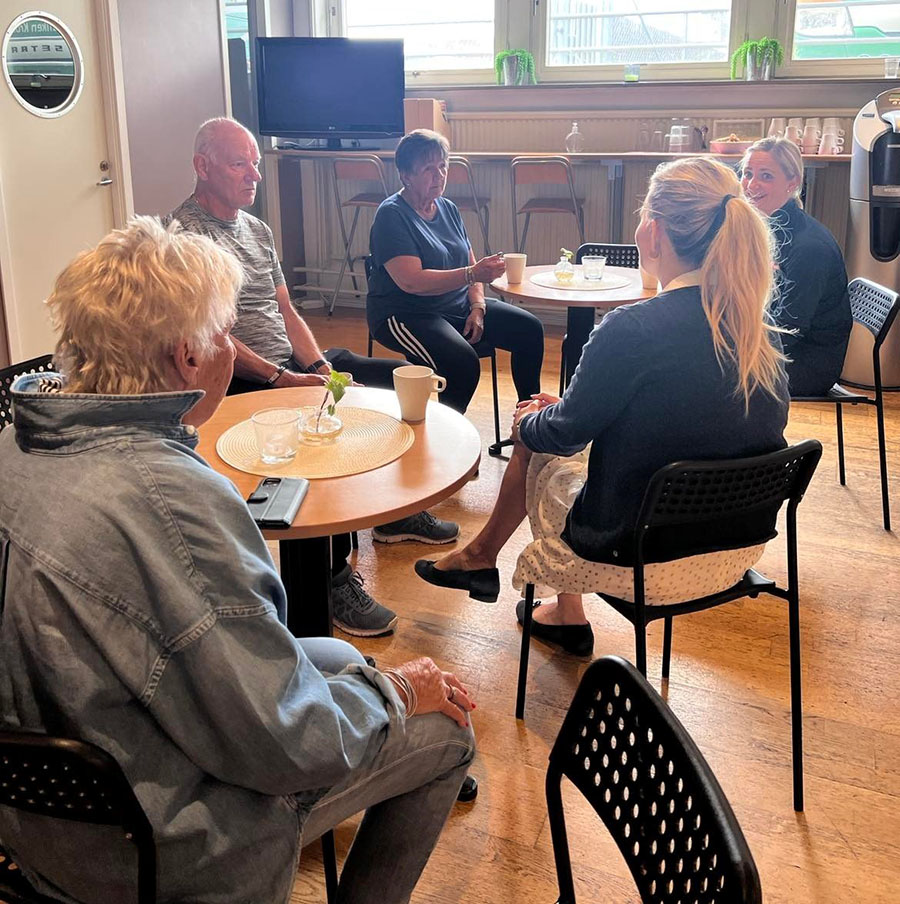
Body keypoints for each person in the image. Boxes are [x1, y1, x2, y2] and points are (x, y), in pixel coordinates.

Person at [0, 217, 475, 904]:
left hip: (33, 817)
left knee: (339, 657)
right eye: (226, 334)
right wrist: (399, 692)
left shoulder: (13, 449)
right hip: (154, 846)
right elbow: (289, 742)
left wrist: (366, 688)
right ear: (189, 357)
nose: (231, 348)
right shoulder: (173, 506)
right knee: (445, 726)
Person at [415, 158, 789, 655]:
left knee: (538, 442)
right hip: (734, 550)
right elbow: (684, 419)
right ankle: (514, 579)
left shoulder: (632, 329)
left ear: (654, 233)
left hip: (640, 554)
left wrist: (531, 422)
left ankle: (511, 575)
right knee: (556, 428)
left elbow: (563, 435)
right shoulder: (759, 333)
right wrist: (570, 409)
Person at [170, 117, 459, 640]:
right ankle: (332, 578)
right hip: (234, 376)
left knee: (397, 382)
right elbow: (213, 336)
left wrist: (319, 368)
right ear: (201, 167)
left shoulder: (257, 229)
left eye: (255, 163)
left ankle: (393, 514)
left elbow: (286, 309)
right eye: (239, 165)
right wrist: (282, 379)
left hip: (288, 363)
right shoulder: (186, 237)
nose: (254, 175)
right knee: (322, 445)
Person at [367, 129, 545, 414]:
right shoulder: (392, 214)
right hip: (405, 313)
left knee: (529, 329)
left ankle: (529, 420)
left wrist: (478, 307)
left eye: (442, 166)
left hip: (457, 306)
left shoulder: (448, 208)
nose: (439, 175)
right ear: (406, 175)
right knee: (461, 363)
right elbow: (412, 282)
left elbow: (470, 263)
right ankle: (445, 435)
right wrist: (472, 274)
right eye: (428, 169)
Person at [741, 137, 851, 395]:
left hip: (808, 363)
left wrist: (739, 352)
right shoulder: (772, 227)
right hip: (786, 346)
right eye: (747, 173)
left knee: (707, 372)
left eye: (766, 176)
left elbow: (789, 328)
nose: (751, 184)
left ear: (792, 183)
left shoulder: (809, 248)